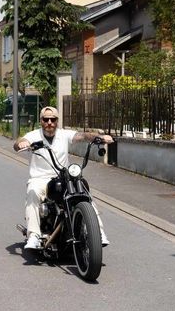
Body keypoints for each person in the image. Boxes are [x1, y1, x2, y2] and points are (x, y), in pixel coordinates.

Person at [13, 106, 113, 250]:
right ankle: (34, 235)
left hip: (62, 176)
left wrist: (99, 138)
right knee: (32, 192)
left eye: (52, 119)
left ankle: (99, 233)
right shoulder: (34, 135)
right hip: (40, 178)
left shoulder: (64, 134)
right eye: (46, 119)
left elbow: (82, 135)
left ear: (57, 121)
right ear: (41, 121)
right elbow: (18, 143)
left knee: (85, 194)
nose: (49, 122)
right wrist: (22, 143)